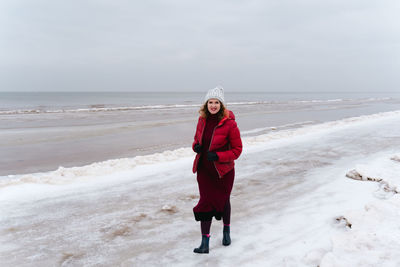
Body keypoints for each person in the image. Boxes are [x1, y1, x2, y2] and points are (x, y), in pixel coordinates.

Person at [192, 86, 243, 254]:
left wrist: (219, 156)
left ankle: (226, 231)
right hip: (204, 171)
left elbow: (237, 150)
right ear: (206, 104)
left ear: (222, 105)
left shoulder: (230, 124)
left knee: (224, 200)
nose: (213, 105)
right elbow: (195, 140)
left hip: (223, 172)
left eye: (216, 102)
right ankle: (204, 242)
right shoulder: (202, 120)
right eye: (210, 102)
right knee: (205, 202)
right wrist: (196, 147)